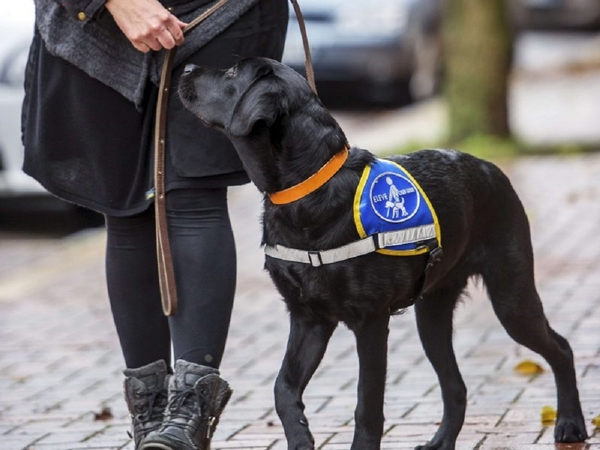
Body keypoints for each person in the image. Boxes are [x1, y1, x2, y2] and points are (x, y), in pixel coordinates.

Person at [21, 0, 288, 449]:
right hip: (94, 25)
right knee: (123, 205)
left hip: (219, 12)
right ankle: (150, 418)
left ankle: (187, 418)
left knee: (193, 195)